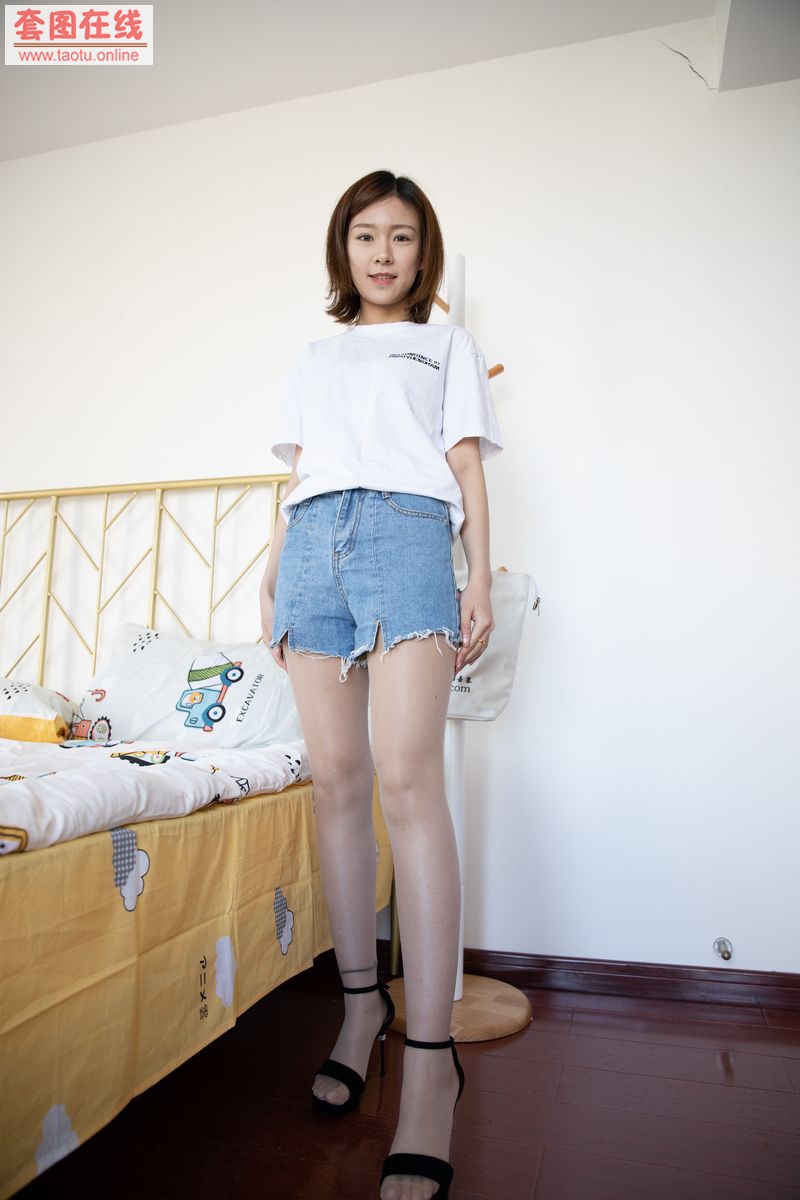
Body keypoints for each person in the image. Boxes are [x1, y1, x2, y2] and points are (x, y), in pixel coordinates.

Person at [259, 169, 503, 1200]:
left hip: (407, 540)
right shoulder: (313, 356)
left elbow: (466, 464)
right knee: (336, 782)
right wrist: (270, 574)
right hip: (313, 547)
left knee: (408, 783)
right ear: (342, 248)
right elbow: (296, 477)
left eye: (401, 236)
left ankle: (431, 1059)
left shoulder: (443, 346)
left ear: (421, 251)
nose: (383, 253)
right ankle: (361, 1006)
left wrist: (477, 576)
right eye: (366, 235)